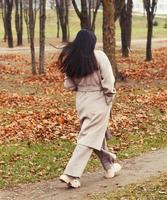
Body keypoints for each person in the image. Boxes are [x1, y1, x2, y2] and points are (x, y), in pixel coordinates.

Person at [57, 29, 121, 188]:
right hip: (99, 99)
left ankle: (109, 166)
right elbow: (109, 80)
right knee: (88, 137)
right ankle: (70, 174)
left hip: (82, 101)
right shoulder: (99, 56)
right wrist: (109, 97)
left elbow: (68, 85)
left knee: (94, 134)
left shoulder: (72, 59)